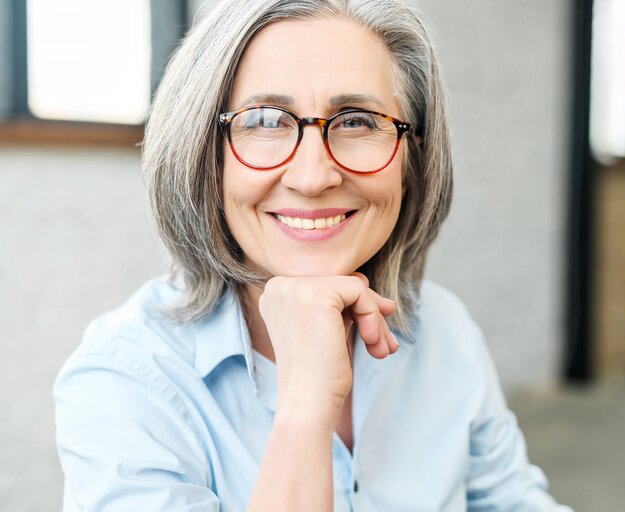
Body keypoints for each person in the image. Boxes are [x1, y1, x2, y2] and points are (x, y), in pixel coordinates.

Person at [53, 0, 572, 510]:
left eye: (357, 122)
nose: (312, 176)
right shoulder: (123, 383)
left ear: (412, 162)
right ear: (204, 158)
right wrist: (304, 407)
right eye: (263, 120)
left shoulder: (444, 332)